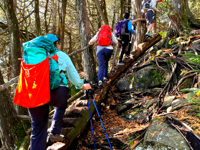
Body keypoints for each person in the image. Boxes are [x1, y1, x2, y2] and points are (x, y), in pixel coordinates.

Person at [28, 34, 92, 150]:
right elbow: (74, 78)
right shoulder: (62, 55)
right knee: (61, 103)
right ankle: (54, 132)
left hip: (34, 93)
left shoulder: (34, 56)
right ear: (56, 43)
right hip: (56, 94)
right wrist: (83, 85)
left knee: (38, 127)